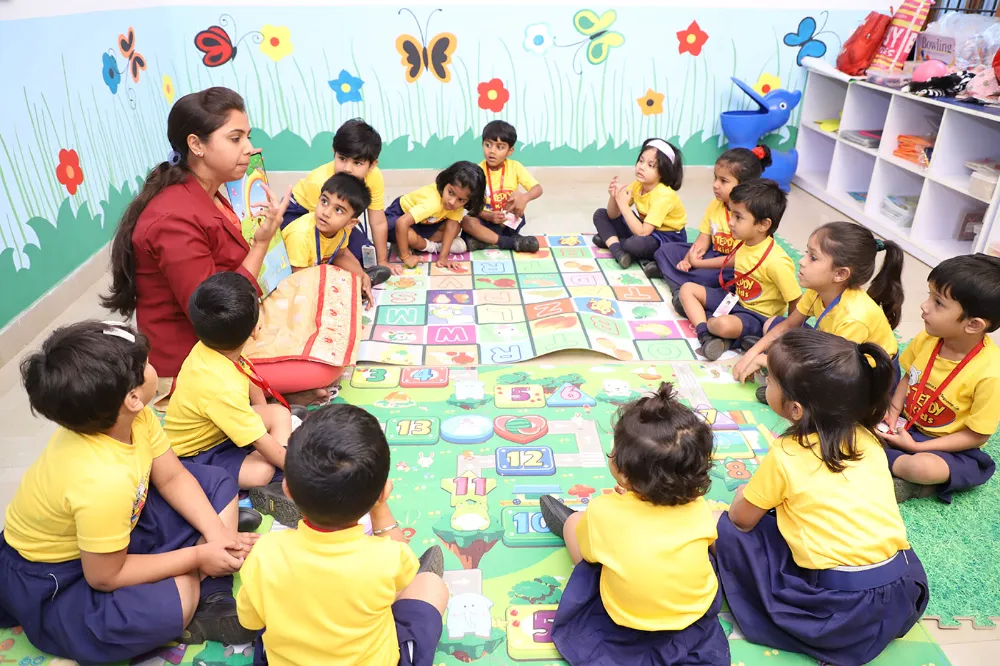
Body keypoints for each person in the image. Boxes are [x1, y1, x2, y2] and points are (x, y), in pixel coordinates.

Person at [0, 321, 257, 664]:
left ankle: (206, 575)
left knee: (217, 483)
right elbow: (105, 576)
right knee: (171, 606)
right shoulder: (100, 480)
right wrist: (198, 556)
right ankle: (203, 583)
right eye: (146, 364)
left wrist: (216, 535)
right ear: (132, 397)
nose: (153, 365)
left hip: (122, 524)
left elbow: (173, 478)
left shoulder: (134, 417)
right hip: (63, 576)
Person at [101, 87, 354, 405]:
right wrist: (260, 245)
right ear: (196, 145)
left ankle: (269, 387)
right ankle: (253, 391)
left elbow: (233, 276)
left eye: (247, 137)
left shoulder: (210, 191)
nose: (250, 148)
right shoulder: (172, 220)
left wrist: (265, 241)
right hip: (193, 358)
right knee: (324, 366)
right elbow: (215, 316)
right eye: (235, 139)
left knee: (328, 277)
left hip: (235, 322)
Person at [716, 329, 928, 666]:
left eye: (771, 379)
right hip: (901, 595)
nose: (765, 381)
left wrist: (744, 494)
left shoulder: (786, 453)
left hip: (838, 610)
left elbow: (741, 520)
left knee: (721, 527)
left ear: (795, 409)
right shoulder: (868, 439)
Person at [236, 404, 449, 666]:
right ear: (381, 492)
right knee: (429, 584)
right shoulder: (387, 556)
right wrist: (380, 508)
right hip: (374, 653)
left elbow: (250, 620)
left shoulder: (263, 553)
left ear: (287, 490)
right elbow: (405, 574)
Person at [537, 383, 729, 666]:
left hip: (625, 619)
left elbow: (590, 555)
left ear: (625, 476)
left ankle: (571, 526)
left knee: (576, 525)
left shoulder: (603, 510)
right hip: (692, 616)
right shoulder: (700, 508)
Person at [164, 272, 300, 527]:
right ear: (255, 329)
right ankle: (271, 482)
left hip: (222, 429)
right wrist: (298, 470)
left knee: (279, 414)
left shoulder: (211, 347)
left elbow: (249, 381)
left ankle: (274, 467)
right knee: (262, 471)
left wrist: (261, 418)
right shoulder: (219, 386)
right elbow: (258, 439)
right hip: (197, 454)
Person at [733, 221, 903, 402]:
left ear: (840, 274)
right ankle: (784, 379)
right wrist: (752, 354)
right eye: (806, 252)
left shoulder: (853, 318)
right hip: (833, 351)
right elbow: (789, 325)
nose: (802, 261)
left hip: (867, 376)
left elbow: (831, 371)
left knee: (820, 392)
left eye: (813, 257)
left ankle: (787, 386)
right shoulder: (818, 289)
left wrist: (767, 361)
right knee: (773, 324)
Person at [881, 254, 1000, 503]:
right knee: (857, 410)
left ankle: (904, 475)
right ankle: (889, 461)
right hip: (908, 423)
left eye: (938, 302)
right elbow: (909, 377)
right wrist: (892, 412)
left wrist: (917, 447)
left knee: (923, 468)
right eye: (929, 295)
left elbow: (977, 436)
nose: (924, 306)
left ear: (973, 325)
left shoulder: (991, 375)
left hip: (949, 447)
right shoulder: (929, 337)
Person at [678, 179, 801, 361]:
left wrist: (787, 335)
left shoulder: (777, 262)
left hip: (759, 317)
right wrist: (697, 263)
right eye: (731, 215)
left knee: (721, 324)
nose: (730, 223)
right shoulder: (746, 242)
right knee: (687, 289)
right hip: (736, 301)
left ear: (763, 224)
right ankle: (706, 334)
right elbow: (729, 262)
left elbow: (796, 299)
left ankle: (713, 326)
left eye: (738, 217)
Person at [655, 146, 771, 304]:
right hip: (713, 254)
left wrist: (699, 263)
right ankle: (681, 285)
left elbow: (739, 259)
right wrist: (687, 260)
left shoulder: (751, 214)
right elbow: (703, 239)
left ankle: (677, 284)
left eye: (723, 181)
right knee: (664, 251)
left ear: (744, 185)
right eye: (715, 178)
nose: (715, 185)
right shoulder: (715, 205)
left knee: (713, 277)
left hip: (734, 266)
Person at [282, 118, 397, 277]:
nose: (347, 169)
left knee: (365, 256)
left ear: (372, 165)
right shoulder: (319, 182)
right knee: (315, 253)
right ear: (334, 152)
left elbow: (378, 221)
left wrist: (383, 261)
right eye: (342, 159)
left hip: (334, 214)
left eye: (357, 163)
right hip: (300, 214)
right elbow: (321, 224)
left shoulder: (374, 177)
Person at [591, 138, 686, 275]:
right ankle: (618, 251)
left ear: (663, 172)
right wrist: (614, 197)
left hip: (666, 238)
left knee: (635, 244)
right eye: (641, 161)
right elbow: (612, 215)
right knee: (600, 214)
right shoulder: (638, 185)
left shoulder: (665, 195)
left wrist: (623, 205)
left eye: (650, 165)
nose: (642, 167)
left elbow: (642, 232)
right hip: (645, 230)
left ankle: (611, 242)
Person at [281, 172, 383, 298]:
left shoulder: (343, 230)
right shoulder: (300, 235)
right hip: (289, 282)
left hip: (311, 274)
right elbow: (300, 280)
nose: (326, 213)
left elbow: (341, 256)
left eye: (338, 210)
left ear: (351, 223)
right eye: (324, 202)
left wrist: (361, 275)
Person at [461, 120, 541, 253]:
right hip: (485, 220)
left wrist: (524, 198)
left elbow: (537, 189)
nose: (492, 151)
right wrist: (488, 216)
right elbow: (469, 205)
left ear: (510, 151)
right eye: (488, 145)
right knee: (466, 221)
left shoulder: (515, 167)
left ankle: (485, 241)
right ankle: (511, 242)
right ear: (482, 144)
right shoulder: (477, 171)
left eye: (500, 147)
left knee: (517, 195)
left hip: (507, 221)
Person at [390, 161, 485, 270]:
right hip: (399, 217)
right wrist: (405, 257)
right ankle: (426, 247)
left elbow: (451, 226)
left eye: (461, 200)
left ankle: (419, 244)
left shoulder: (456, 203)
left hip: (424, 222)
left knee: (455, 227)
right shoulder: (432, 203)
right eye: (450, 192)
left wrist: (443, 258)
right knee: (409, 236)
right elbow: (401, 222)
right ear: (445, 183)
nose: (452, 202)